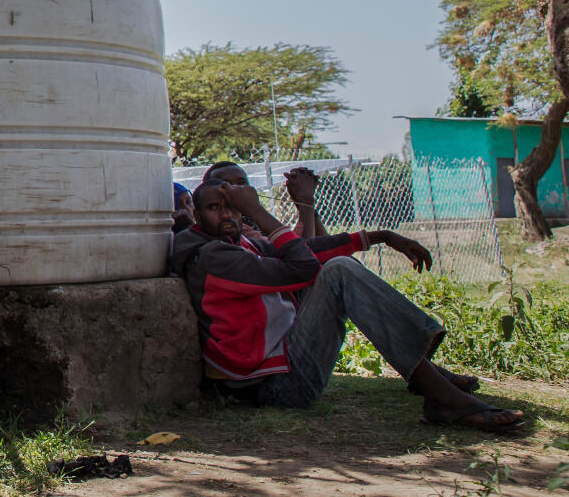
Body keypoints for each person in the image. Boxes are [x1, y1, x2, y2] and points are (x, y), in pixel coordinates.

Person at [170, 180, 524, 433]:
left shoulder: (239, 244)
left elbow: (309, 249)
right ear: (198, 216)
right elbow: (304, 266)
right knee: (337, 274)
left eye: (232, 205)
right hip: (275, 387)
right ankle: (440, 393)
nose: (228, 214)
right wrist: (258, 211)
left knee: (338, 268)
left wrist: (380, 236)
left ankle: (431, 380)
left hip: (282, 367)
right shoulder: (213, 256)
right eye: (215, 208)